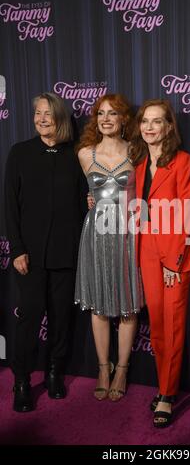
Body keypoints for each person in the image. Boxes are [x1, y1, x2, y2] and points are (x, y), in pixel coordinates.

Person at [4, 92, 88, 412]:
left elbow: (83, 204)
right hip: (31, 256)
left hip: (66, 255)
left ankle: (55, 373)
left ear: (60, 118)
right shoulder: (20, 153)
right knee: (28, 320)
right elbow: (10, 205)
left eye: (48, 114)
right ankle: (22, 380)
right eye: (37, 113)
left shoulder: (74, 155)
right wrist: (17, 249)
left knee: (61, 319)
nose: (41, 119)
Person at [130, 99, 190, 427]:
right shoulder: (140, 164)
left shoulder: (183, 161)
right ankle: (163, 385)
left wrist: (175, 260)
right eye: (146, 120)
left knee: (172, 326)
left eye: (157, 121)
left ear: (169, 126)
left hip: (174, 257)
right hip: (146, 253)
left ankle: (168, 395)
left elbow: (188, 212)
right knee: (157, 325)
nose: (150, 127)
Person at [75, 94, 143, 402]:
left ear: (123, 119)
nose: (105, 118)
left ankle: (123, 369)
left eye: (112, 113)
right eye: (100, 113)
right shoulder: (85, 153)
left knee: (128, 304)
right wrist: (90, 201)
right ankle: (104, 368)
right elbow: (87, 193)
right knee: (99, 306)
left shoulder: (137, 151)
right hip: (97, 236)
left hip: (128, 235)